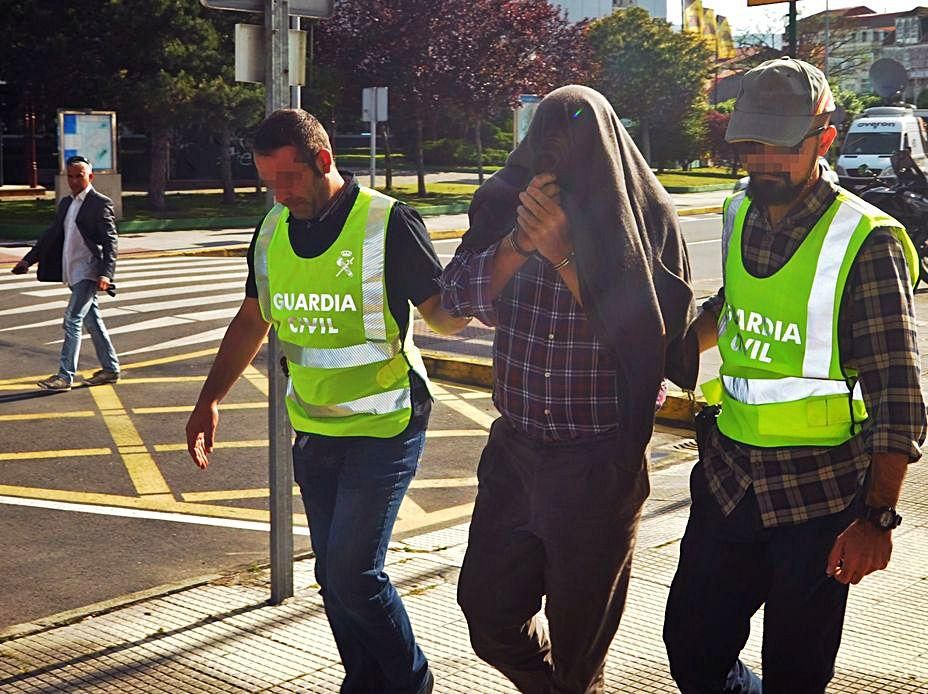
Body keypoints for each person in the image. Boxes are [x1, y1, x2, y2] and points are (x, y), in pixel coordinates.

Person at [663, 57, 926, 693]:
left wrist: (877, 519)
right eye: (752, 142)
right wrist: (677, 349)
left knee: (798, 673)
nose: (762, 159)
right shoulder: (739, 213)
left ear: (824, 137)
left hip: (821, 497)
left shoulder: (865, 241)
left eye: (781, 145)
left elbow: (898, 394)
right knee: (692, 649)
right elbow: (734, 302)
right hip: (730, 481)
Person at [185, 108, 469, 694]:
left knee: (353, 570)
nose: (280, 195)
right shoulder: (269, 234)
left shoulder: (388, 222)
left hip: (387, 421)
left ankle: (411, 683)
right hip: (314, 427)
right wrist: (209, 398)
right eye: (269, 184)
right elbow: (251, 320)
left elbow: (441, 315)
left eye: (288, 180)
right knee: (330, 574)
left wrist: (484, 287)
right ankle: (362, 681)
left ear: (323, 160)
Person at [440, 85, 696, 693]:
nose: (553, 164)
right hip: (515, 454)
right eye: (543, 146)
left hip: (597, 463)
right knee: (487, 614)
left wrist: (562, 256)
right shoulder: (505, 202)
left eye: (570, 150)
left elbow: (647, 341)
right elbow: (452, 302)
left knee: (581, 648)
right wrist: (519, 244)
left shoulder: (643, 216)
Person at [11, 155, 120, 391]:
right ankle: (110, 369)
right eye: (69, 176)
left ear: (90, 177)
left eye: (78, 176)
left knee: (72, 320)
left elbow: (111, 241)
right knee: (93, 321)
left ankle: (64, 376)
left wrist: (106, 274)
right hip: (72, 270)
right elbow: (52, 235)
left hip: (89, 272)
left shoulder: (100, 203)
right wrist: (28, 260)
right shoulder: (66, 203)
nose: (73, 181)